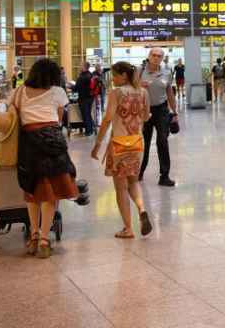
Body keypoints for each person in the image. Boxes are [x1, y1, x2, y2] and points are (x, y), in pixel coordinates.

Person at [13, 59, 78, 258]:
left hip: (28, 144)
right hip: (52, 143)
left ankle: (33, 236)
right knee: (51, 194)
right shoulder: (57, 92)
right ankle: (43, 239)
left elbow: (13, 114)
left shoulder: (19, 91)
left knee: (32, 190)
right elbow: (58, 119)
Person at [92, 61, 153, 239]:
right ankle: (142, 209)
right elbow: (147, 116)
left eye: (115, 75)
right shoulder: (143, 92)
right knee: (133, 182)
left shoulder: (116, 93)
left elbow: (107, 119)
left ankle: (128, 228)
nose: (113, 79)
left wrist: (97, 144)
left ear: (124, 75)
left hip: (119, 144)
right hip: (137, 142)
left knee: (120, 188)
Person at [139, 47, 178, 187]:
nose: (156, 58)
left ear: (162, 58)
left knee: (162, 141)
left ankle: (164, 175)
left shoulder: (167, 72)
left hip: (161, 110)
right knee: (144, 143)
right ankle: (139, 171)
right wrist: (139, 86)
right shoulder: (139, 71)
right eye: (153, 55)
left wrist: (174, 112)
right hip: (144, 110)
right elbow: (130, 89)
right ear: (149, 56)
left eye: (159, 56)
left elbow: (170, 94)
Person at [74, 62, 96, 137]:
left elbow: (76, 88)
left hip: (83, 98)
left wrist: (69, 86)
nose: (80, 67)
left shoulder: (82, 77)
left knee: (85, 115)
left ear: (84, 67)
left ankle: (88, 131)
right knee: (88, 114)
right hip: (90, 98)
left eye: (81, 65)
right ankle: (91, 129)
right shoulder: (90, 74)